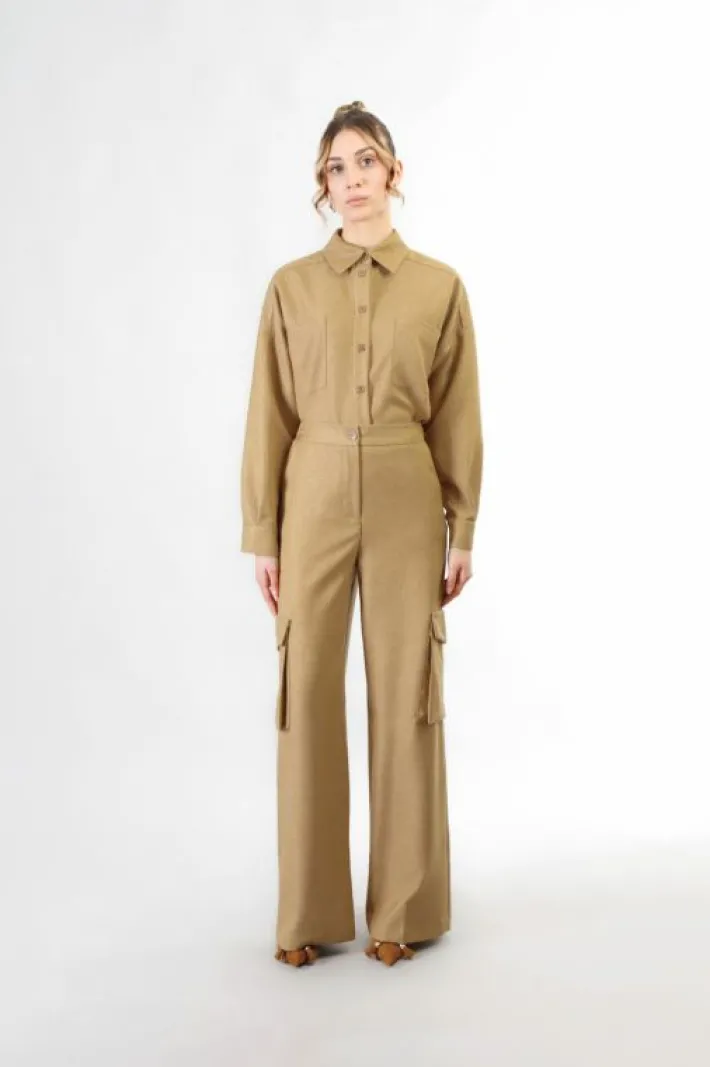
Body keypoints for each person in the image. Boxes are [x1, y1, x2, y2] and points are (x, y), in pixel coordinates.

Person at [240, 100, 484, 967]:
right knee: (305, 690)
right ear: (324, 185)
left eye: (366, 161)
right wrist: (264, 532)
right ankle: (307, 913)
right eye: (335, 168)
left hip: (406, 494)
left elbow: (457, 413)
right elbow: (269, 412)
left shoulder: (439, 287)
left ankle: (403, 910)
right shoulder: (290, 287)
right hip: (309, 495)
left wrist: (463, 525)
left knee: (407, 690)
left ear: (394, 172)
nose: (351, 180)